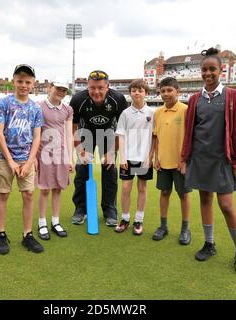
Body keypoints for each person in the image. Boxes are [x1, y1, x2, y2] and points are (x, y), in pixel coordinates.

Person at [179, 47, 236, 274]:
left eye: (212, 69)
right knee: (205, 201)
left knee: (227, 205)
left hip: (222, 160)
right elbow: (189, 132)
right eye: (204, 70)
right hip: (199, 158)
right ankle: (209, 244)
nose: (208, 73)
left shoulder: (232, 96)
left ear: (221, 71)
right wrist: (184, 158)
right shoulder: (194, 99)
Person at [0, 64, 44, 254]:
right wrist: (11, 161)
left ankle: (27, 234)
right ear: (13, 81)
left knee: (28, 195)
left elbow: (37, 136)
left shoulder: (35, 108)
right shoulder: (4, 103)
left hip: (27, 160)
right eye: (20, 81)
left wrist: (29, 162)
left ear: (33, 84)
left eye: (28, 82)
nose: (23, 85)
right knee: (3, 194)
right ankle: (0, 233)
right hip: (6, 159)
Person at [70, 70, 128, 226]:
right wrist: (80, 150)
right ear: (88, 87)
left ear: (107, 87)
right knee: (82, 170)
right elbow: (73, 126)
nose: (96, 91)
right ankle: (81, 209)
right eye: (92, 88)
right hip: (85, 132)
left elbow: (122, 129)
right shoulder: (78, 99)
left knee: (109, 169)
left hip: (108, 133)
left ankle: (109, 210)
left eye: (100, 87)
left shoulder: (118, 99)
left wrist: (111, 152)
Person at [152, 77, 192, 245]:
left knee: (183, 194)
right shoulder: (158, 112)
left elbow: (191, 137)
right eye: (163, 91)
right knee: (164, 193)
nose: (166, 94)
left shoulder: (185, 110)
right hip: (163, 161)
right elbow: (157, 137)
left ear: (178, 92)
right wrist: (156, 157)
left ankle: (185, 229)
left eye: (170, 90)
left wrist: (186, 160)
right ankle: (163, 226)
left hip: (181, 163)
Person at [114, 79, 155, 235]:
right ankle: (125, 219)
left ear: (146, 93)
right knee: (125, 188)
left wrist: (150, 157)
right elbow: (121, 136)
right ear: (130, 93)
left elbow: (154, 137)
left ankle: (139, 220)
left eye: (140, 90)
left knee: (142, 188)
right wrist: (122, 158)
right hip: (128, 157)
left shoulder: (152, 113)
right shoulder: (125, 113)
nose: (137, 93)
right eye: (134, 90)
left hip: (144, 158)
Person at [36, 81, 74, 240]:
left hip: (61, 153)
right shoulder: (38, 107)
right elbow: (35, 133)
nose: (61, 92)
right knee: (44, 189)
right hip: (43, 153)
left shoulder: (68, 109)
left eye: (64, 90)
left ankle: (55, 221)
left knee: (58, 188)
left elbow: (68, 133)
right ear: (50, 88)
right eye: (59, 88)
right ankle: (42, 222)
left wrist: (70, 157)